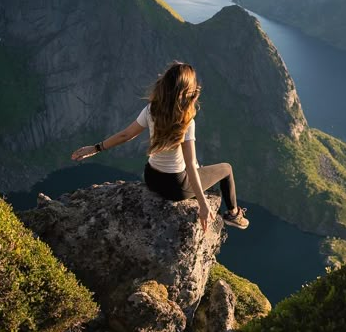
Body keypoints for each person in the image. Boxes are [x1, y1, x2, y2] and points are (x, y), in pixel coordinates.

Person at [71, 61, 249, 232]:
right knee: (226, 169)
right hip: (175, 188)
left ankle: (218, 203)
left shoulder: (151, 109)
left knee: (195, 167)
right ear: (187, 91)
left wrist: (95, 148)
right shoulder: (186, 121)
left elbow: (126, 135)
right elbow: (189, 165)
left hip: (151, 178)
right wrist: (203, 205)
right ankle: (233, 214)